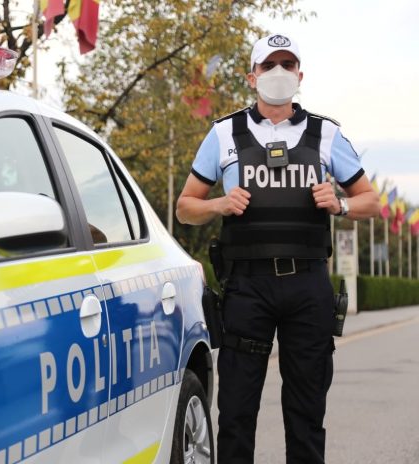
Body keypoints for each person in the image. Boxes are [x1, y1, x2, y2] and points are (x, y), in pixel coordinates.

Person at [176, 33, 380, 463]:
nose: (279, 72)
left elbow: (371, 201)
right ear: (252, 77)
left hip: (307, 286)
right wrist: (218, 204)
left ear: (300, 76)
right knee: (235, 414)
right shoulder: (224, 134)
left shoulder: (325, 134)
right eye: (269, 65)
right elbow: (185, 208)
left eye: (288, 64)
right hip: (247, 288)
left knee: (306, 416)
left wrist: (340, 204)